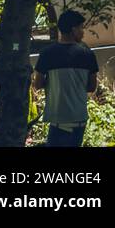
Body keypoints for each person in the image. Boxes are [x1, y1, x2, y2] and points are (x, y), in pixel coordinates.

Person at [33, 9, 99, 147]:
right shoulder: (87, 54)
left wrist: (52, 83)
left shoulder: (47, 54)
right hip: (79, 118)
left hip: (58, 118)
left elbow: (37, 84)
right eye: (81, 28)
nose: (83, 32)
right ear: (73, 29)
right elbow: (92, 87)